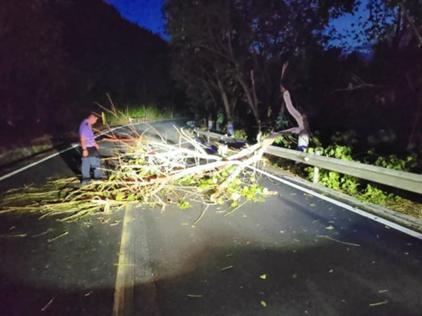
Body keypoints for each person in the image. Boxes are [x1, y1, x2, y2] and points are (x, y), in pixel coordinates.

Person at [79, 112, 104, 184]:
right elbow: (83, 138)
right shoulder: (85, 126)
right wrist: (84, 149)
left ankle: (86, 180)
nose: (95, 121)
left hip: (90, 146)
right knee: (94, 163)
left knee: (87, 164)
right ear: (92, 117)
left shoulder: (87, 123)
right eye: (95, 119)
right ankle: (96, 178)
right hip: (88, 148)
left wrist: (95, 144)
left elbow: (89, 137)